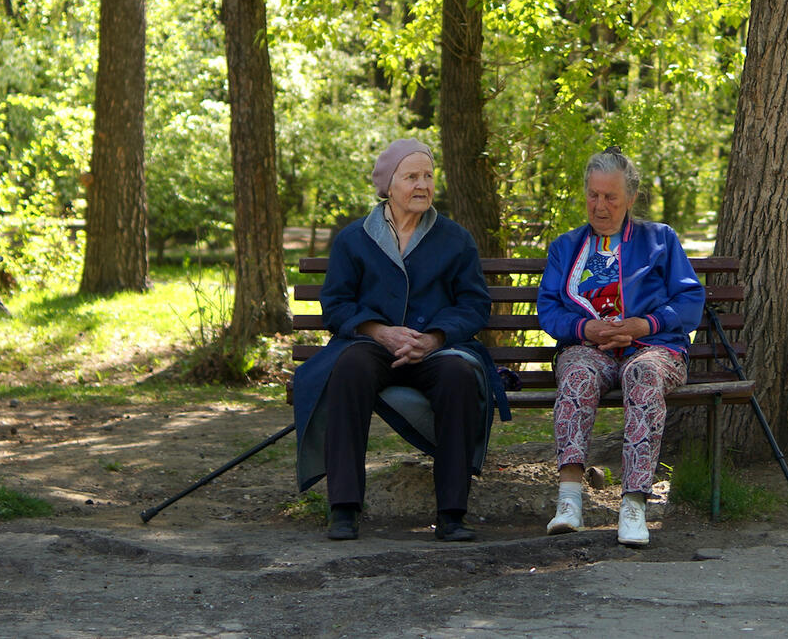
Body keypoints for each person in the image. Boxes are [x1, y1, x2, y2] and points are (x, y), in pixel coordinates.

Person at [290, 138, 508, 542]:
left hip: (436, 349)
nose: (422, 185)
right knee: (348, 367)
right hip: (372, 346)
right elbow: (335, 304)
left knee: (461, 376)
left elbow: (473, 305)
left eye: (428, 175)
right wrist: (378, 331)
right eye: (412, 177)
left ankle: (452, 514)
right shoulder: (354, 239)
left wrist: (433, 337)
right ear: (389, 185)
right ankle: (344, 508)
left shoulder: (455, 239)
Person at [536, 147, 705, 546]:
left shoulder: (659, 240)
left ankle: (633, 503)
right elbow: (549, 310)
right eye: (593, 195)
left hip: (651, 346)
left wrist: (643, 323)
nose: (600, 205)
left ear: (630, 198)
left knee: (643, 374)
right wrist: (585, 329)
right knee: (576, 374)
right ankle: (569, 500)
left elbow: (689, 302)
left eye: (611, 197)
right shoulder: (566, 247)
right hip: (589, 348)